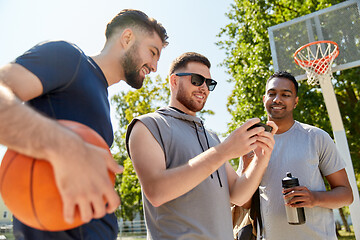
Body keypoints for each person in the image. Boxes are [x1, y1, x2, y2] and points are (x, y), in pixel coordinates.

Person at [0, 9, 168, 240]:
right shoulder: (69, 58)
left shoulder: (101, 98)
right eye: (152, 52)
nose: (155, 66)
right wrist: (62, 145)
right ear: (127, 38)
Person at [125, 52, 277, 239]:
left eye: (209, 83)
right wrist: (224, 152)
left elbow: (239, 196)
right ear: (174, 81)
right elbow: (156, 193)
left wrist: (261, 158)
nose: (204, 87)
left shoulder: (212, 138)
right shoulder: (148, 125)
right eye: (197, 80)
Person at [238, 71, 353, 239]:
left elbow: (346, 195)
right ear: (264, 99)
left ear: (295, 102)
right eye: (272, 94)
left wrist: (314, 198)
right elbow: (243, 202)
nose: (277, 99)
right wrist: (247, 161)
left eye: (285, 94)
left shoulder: (316, 137)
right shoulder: (251, 143)